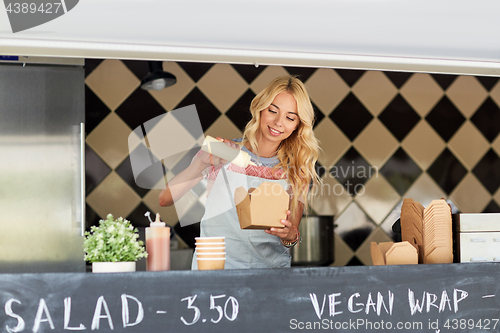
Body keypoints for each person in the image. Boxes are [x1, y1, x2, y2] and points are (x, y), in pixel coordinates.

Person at [159, 76, 320, 269]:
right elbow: (165, 199)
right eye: (272, 111)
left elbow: (292, 232)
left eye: (290, 117)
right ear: (260, 109)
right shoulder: (223, 152)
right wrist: (200, 163)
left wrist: (289, 235)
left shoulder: (297, 171)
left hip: (269, 277)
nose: (279, 122)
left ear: (297, 125)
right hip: (216, 272)